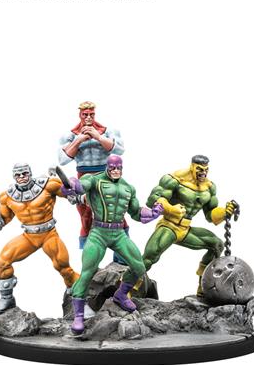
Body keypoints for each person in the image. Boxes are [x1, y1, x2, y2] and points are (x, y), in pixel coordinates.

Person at [62, 155, 163, 334]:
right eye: (112, 167)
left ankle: (121, 294)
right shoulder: (95, 180)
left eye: (118, 168)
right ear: (107, 167)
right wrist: (72, 184)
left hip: (118, 233)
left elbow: (136, 213)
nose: (115, 170)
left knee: (139, 267)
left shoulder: (128, 187)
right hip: (98, 233)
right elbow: (81, 185)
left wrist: (153, 213)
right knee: (87, 272)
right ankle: (78, 315)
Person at [122, 155, 238, 297]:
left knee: (217, 245)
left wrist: (224, 212)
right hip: (168, 226)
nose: (203, 173)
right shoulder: (175, 179)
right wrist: (170, 209)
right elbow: (153, 200)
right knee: (149, 257)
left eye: (206, 170)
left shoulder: (209, 187)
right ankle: (124, 289)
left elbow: (211, 215)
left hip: (185, 229)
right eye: (200, 169)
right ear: (192, 166)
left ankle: (204, 286)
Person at [0, 163, 79, 314]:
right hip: (29, 237)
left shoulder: (48, 185)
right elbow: (3, 217)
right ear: (14, 176)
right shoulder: (7, 196)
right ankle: (6, 298)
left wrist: (74, 189)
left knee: (64, 267)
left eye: (24, 173)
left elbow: (72, 194)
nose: (21, 177)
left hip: (49, 234)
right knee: (2, 262)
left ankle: (80, 298)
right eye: (18, 175)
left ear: (30, 173)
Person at [58, 102, 126, 257]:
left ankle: (121, 257)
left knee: (116, 213)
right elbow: (62, 160)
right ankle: (89, 259)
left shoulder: (107, 131)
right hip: (83, 176)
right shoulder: (70, 135)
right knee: (85, 216)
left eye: (91, 114)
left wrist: (98, 137)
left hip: (106, 175)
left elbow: (120, 150)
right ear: (80, 115)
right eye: (85, 114)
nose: (88, 117)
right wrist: (78, 140)